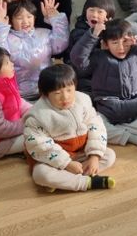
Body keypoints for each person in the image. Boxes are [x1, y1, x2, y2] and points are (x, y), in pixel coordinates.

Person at [70, 19, 137, 150]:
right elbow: (77, 58)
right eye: (115, 43)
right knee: (92, 125)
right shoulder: (98, 58)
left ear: (131, 39)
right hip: (108, 111)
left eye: (125, 42)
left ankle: (115, 132)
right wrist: (93, 34)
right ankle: (130, 137)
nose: (121, 48)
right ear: (105, 44)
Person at [23, 64, 116, 192]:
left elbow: (96, 126)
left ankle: (64, 180)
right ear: (45, 94)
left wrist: (94, 156)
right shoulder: (37, 116)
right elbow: (39, 145)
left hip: (80, 152)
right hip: (54, 159)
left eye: (69, 90)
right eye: (57, 93)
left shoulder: (83, 100)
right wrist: (66, 164)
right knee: (40, 174)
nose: (65, 97)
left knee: (110, 155)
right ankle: (87, 182)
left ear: (75, 86)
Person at [0, 0, 69, 100]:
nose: (25, 21)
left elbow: (60, 44)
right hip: (17, 95)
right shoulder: (6, 38)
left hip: (46, 90)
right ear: (11, 20)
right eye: (19, 18)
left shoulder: (44, 34)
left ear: (34, 18)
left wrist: (57, 19)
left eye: (29, 17)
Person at [66, 0, 116, 94]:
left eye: (100, 12)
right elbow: (79, 62)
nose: (94, 14)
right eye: (91, 10)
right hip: (83, 79)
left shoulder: (113, 33)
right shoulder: (77, 33)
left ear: (109, 16)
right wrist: (94, 34)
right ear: (85, 12)